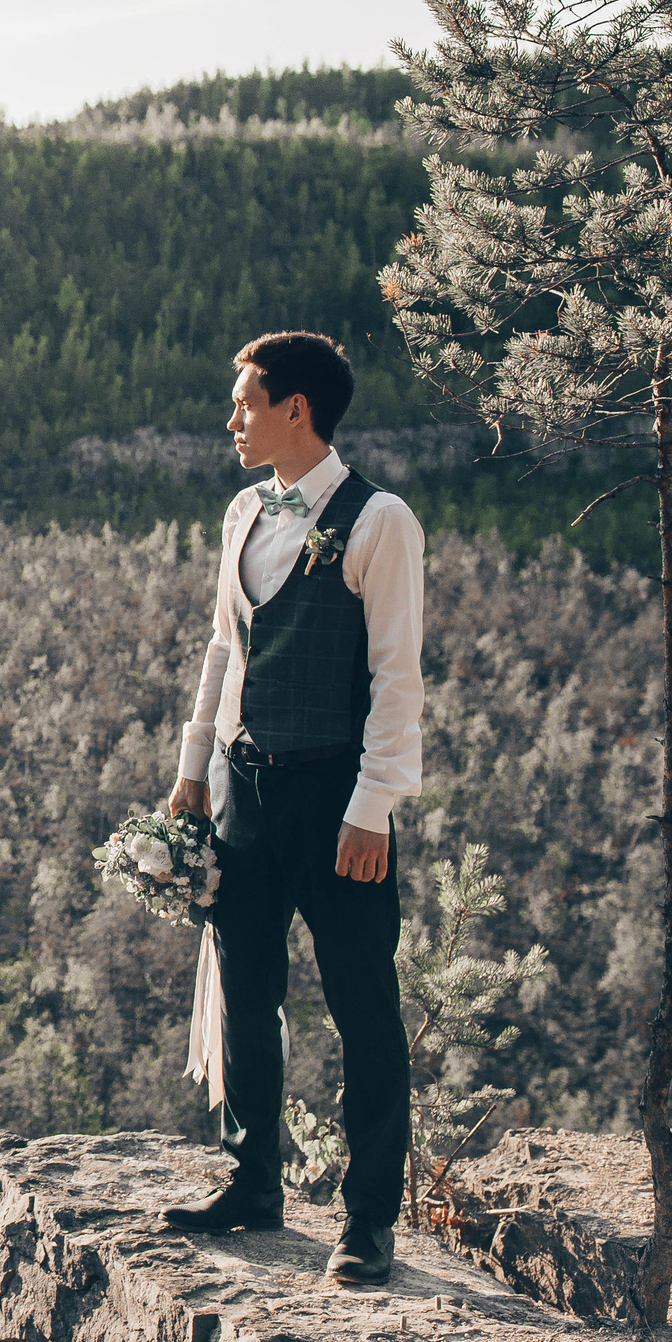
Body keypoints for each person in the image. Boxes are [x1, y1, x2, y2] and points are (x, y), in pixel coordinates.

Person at [161, 331, 425, 1287]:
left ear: (296, 409)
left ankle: (368, 1223)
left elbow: (398, 677)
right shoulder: (242, 512)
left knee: (363, 1009)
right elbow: (224, 648)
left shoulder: (379, 519)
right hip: (241, 786)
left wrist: (373, 807)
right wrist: (194, 766)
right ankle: (252, 1182)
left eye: (244, 404)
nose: (232, 420)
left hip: (335, 798)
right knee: (245, 988)